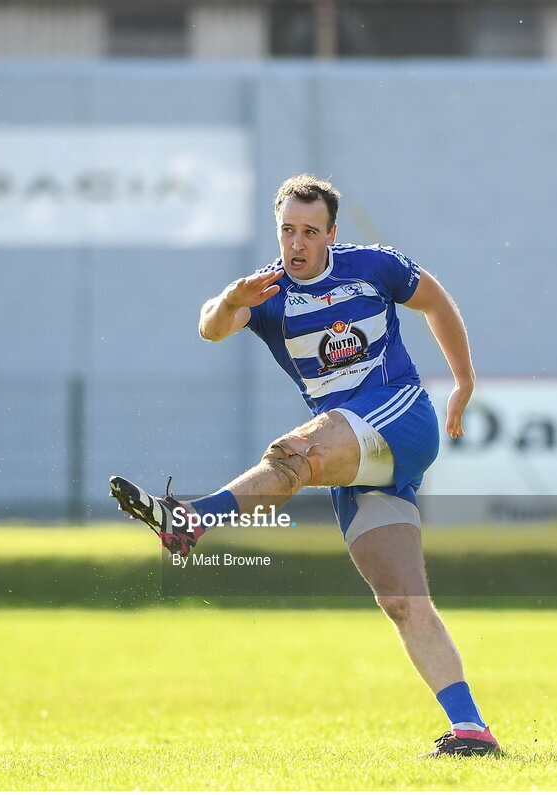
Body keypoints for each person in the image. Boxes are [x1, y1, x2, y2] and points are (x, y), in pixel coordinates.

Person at [110, 174, 498, 757]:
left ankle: (188, 520)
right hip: (353, 454)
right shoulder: (265, 294)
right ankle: (472, 730)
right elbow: (210, 329)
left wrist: (464, 382)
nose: (296, 243)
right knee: (401, 601)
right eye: (287, 230)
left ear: (331, 234)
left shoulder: (373, 266)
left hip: (400, 419)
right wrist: (231, 300)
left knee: (296, 452)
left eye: (309, 232)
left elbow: (435, 301)